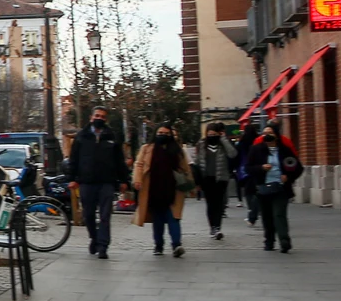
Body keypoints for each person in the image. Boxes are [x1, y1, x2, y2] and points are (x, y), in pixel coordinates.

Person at [66, 107, 130, 259]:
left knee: (105, 215)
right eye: (97, 115)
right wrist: (72, 178)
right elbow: (73, 159)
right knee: (88, 215)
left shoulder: (112, 136)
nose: (99, 118)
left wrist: (124, 180)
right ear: (91, 117)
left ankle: (103, 246)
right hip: (86, 182)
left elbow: (119, 161)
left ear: (105, 119)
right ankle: (94, 238)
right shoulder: (81, 136)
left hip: (106, 182)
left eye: (102, 116)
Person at [242, 124, 304, 253]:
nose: (267, 135)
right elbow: (248, 168)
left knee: (279, 214)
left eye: (270, 133)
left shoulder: (285, 150)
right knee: (267, 216)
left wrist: (288, 176)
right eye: (264, 133)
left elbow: (298, 168)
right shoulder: (256, 149)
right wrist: (261, 168)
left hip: (280, 188)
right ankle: (269, 241)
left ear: (276, 135)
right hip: (263, 188)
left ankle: (284, 240)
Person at [134, 125, 193, 257]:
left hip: (173, 189)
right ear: (155, 133)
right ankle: (158, 245)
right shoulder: (147, 148)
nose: (162, 135)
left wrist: (190, 185)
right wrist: (137, 180)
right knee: (158, 220)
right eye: (160, 132)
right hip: (153, 188)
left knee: (174, 218)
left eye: (166, 133)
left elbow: (185, 168)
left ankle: (176, 245)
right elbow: (139, 165)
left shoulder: (177, 150)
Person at [192, 123, 237, 240]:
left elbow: (233, 154)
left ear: (219, 134)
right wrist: (197, 181)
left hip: (221, 178)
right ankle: (213, 227)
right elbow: (196, 162)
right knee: (210, 204)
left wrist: (223, 139)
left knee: (219, 204)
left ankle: (217, 227)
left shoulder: (223, 144)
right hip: (206, 179)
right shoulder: (201, 144)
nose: (212, 136)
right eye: (210, 134)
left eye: (214, 134)